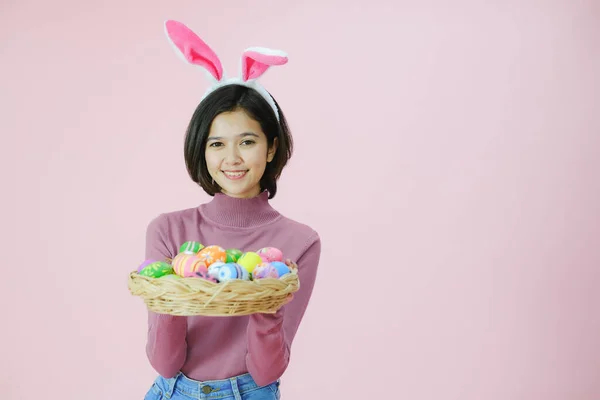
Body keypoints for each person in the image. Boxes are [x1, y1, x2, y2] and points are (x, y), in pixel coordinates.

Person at [142, 20, 321, 400]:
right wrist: (173, 294)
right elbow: (164, 361)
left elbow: (267, 369)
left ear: (271, 148)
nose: (232, 159)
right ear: (201, 150)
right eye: (217, 144)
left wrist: (266, 300)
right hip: (172, 391)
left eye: (247, 141)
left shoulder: (299, 242)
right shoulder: (169, 232)